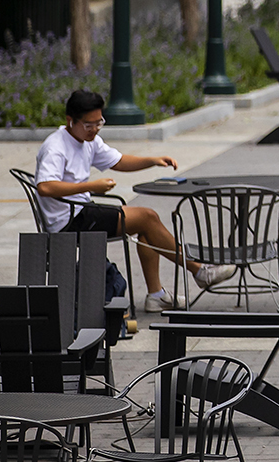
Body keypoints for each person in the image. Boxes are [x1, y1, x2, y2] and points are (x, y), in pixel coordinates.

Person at [34, 90, 236, 318]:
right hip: (68, 220)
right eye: (89, 125)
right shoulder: (56, 146)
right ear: (70, 121)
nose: (95, 129)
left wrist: (153, 161)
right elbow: (46, 187)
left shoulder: (87, 140)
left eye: (99, 123)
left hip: (82, 210)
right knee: (147, 217)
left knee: (147, 226)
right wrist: (91, 187)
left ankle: (157, 296)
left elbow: (118, 161)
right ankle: (199, 271)